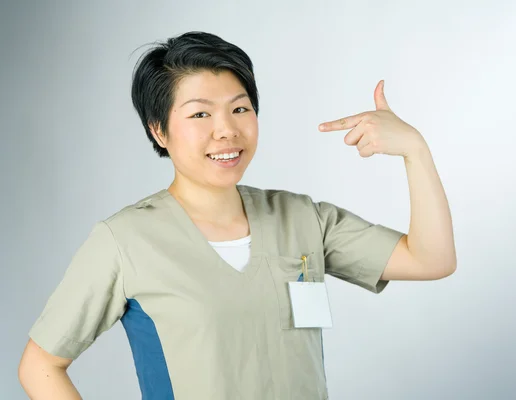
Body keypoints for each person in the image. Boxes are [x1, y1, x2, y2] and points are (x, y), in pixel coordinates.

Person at [17, 31, 456, 400]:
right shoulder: (125, 240)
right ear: (159, 129)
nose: (226, 129)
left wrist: (415, 150)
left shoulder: (301, 218)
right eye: (200, 113)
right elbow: (41, 364)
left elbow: (431, 259)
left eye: (240, 108)